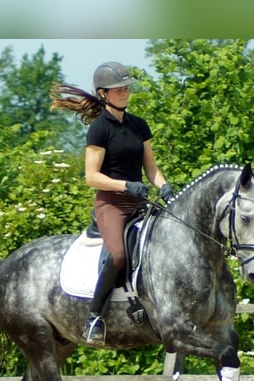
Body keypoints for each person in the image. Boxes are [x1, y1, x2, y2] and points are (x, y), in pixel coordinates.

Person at [51, 61, 175, 343]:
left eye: (126, 88)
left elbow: (151, 169)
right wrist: (125, 185)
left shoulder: (138, 125)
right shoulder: (98, 129)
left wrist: (164, 186)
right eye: (118, 90)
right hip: (111, 205)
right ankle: (95, 317)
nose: (124, 93)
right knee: (117, 255)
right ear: (103, 93)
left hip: (139, 204)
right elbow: (91, 177)